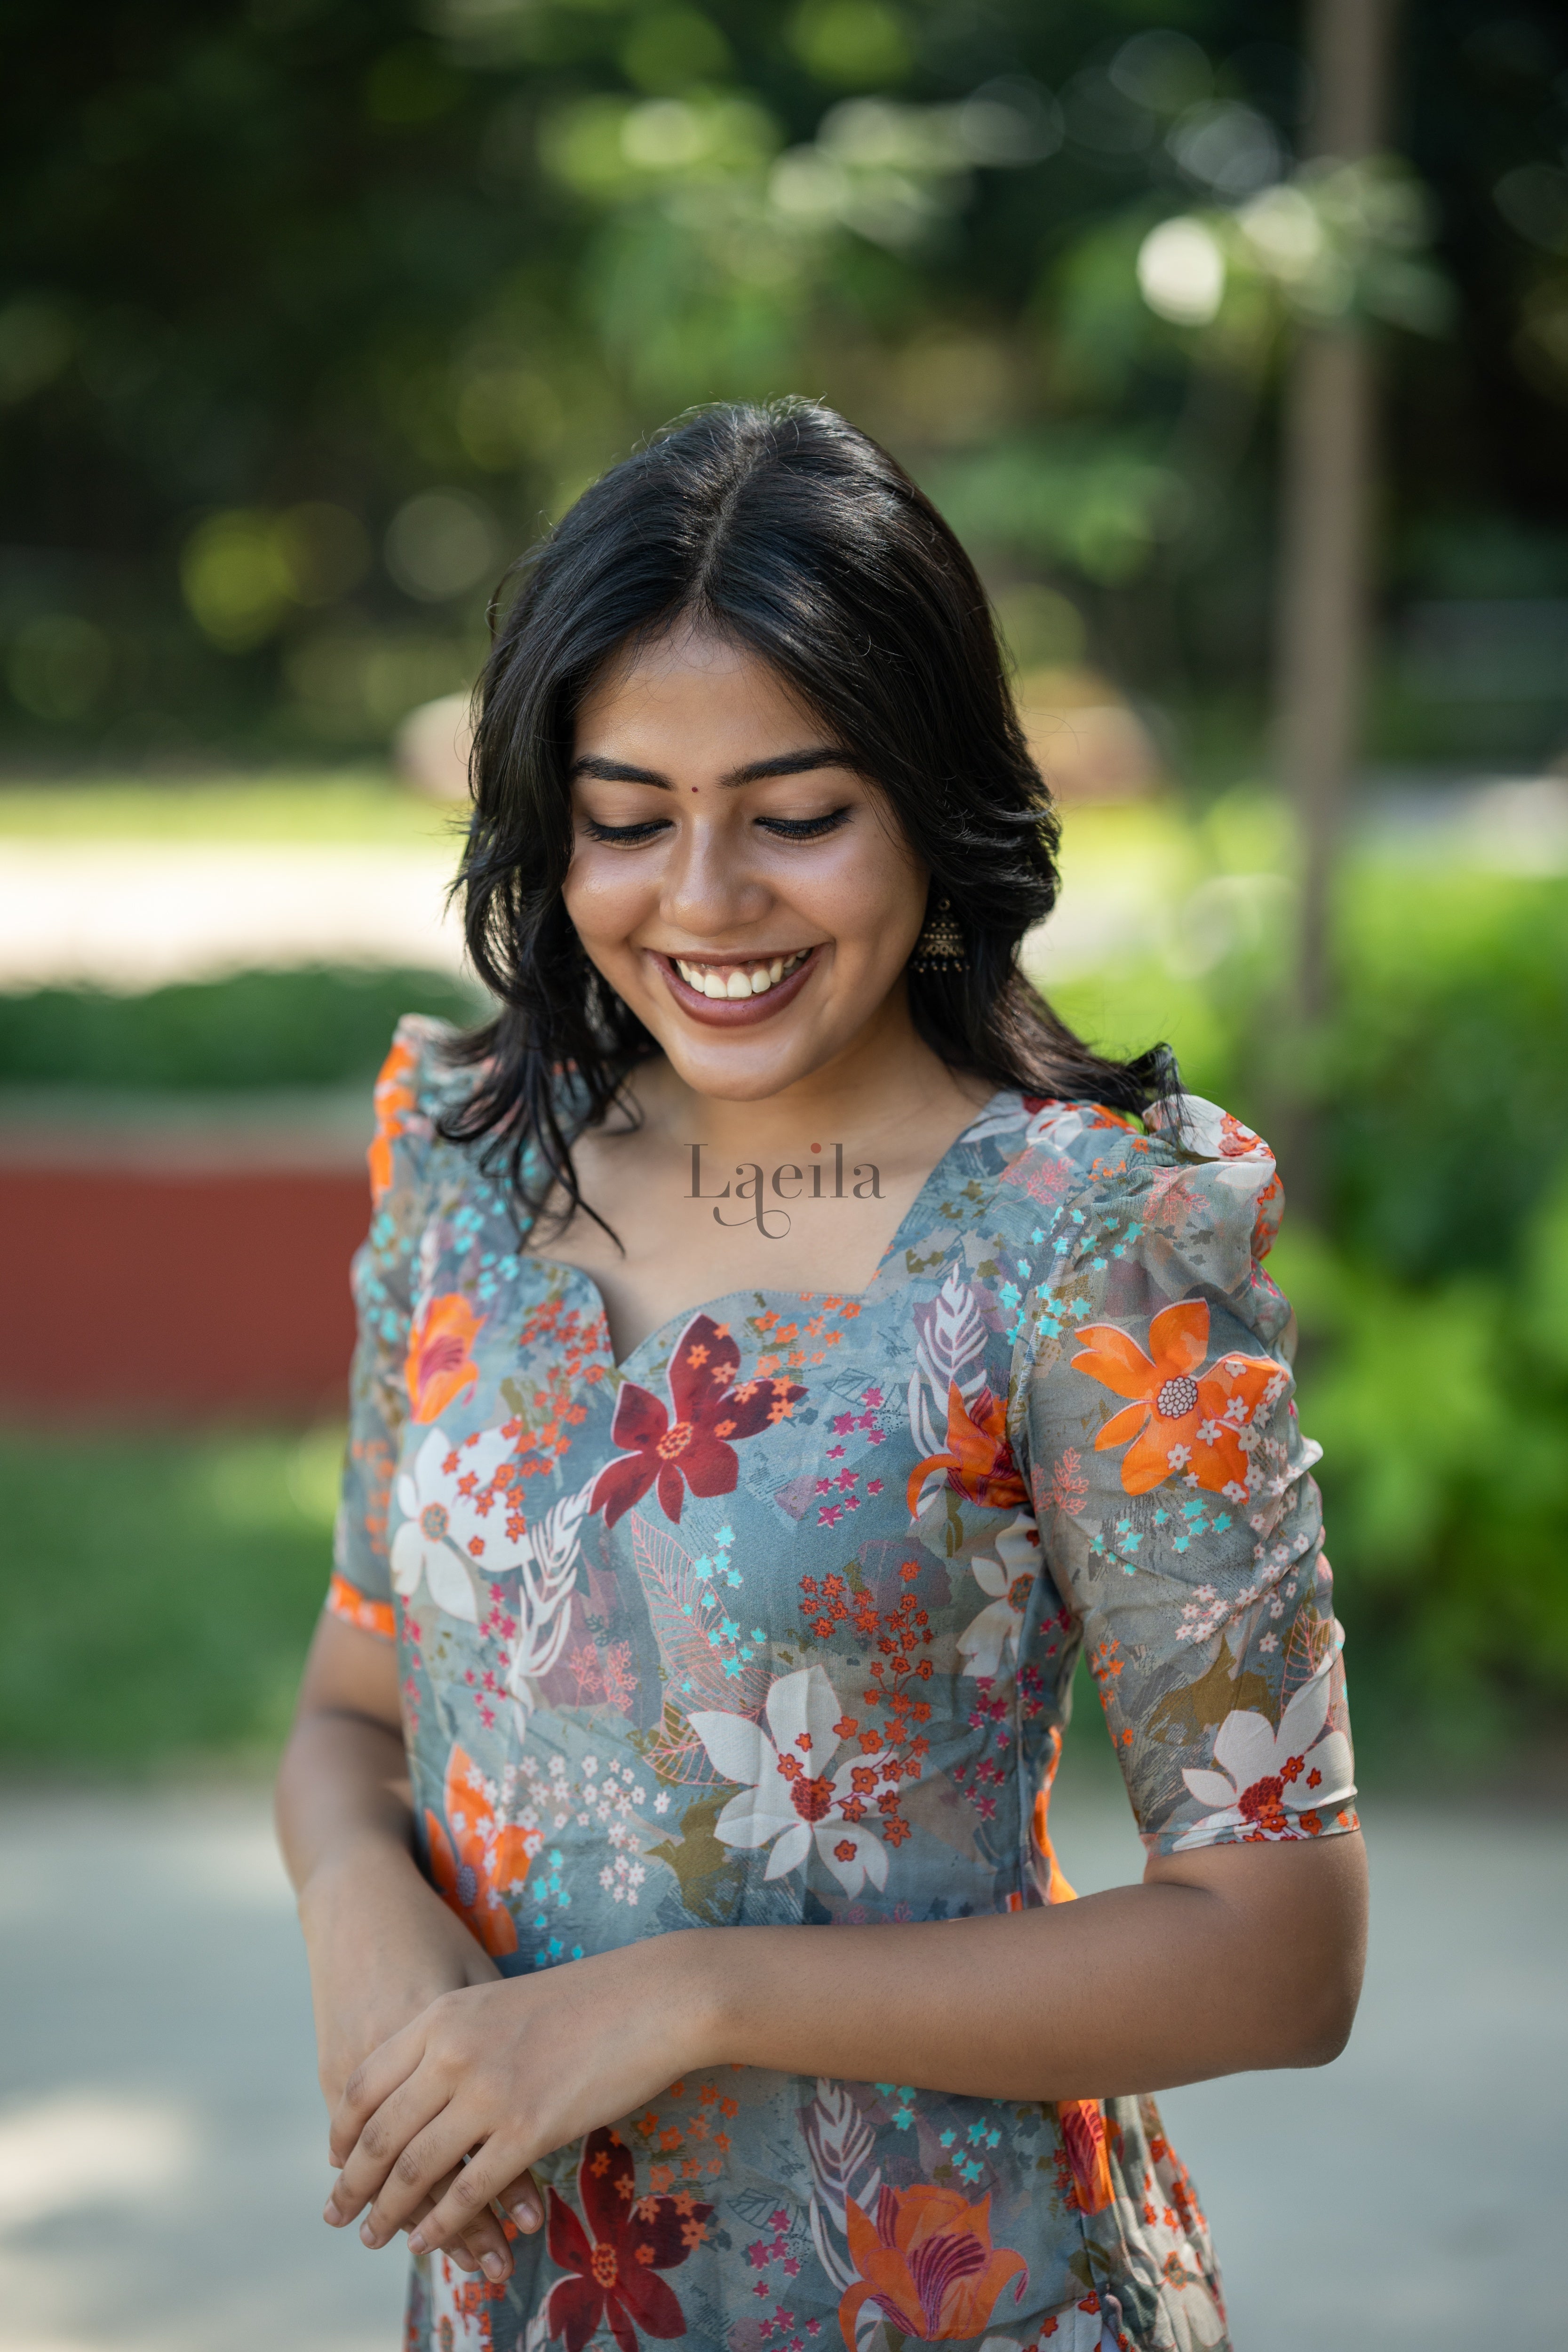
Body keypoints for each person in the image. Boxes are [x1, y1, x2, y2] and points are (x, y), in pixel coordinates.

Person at [276, 401, 1365, 2352]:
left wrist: (687, 1994)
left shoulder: (1088, 1241)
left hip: (957, 2300)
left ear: (932, 805)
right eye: (625, 816)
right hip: (525, 2304)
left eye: (795, 813)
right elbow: (357, 1696)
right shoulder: (458, 1171)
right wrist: (365, 1916)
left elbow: (1281, 1947)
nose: (703, 897)